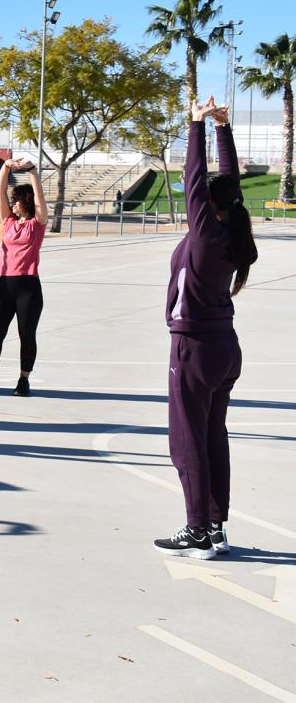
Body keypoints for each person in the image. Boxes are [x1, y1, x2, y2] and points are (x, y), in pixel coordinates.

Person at [153, 97, 257, 560]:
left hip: (193, 347)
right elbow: (225, 184)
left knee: (187, 439)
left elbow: (196, 178)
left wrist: (196, 126)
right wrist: (224, 127)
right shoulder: (232, 232)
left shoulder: (205, 232)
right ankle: (215, 526)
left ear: (205, 203)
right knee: (213, 434)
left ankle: (197, 531)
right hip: (223, 347)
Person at [0, 156, 48, 397]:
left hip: (28, 286)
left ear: (25, 202)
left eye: (17, 200)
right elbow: (0, 194)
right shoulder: (9, 221)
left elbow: (40, 200)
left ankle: (24, 380)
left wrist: (32, 173)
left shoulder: (37, 224)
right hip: (5, 284)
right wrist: (6, 167)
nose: (13, 204)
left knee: (26, 335)